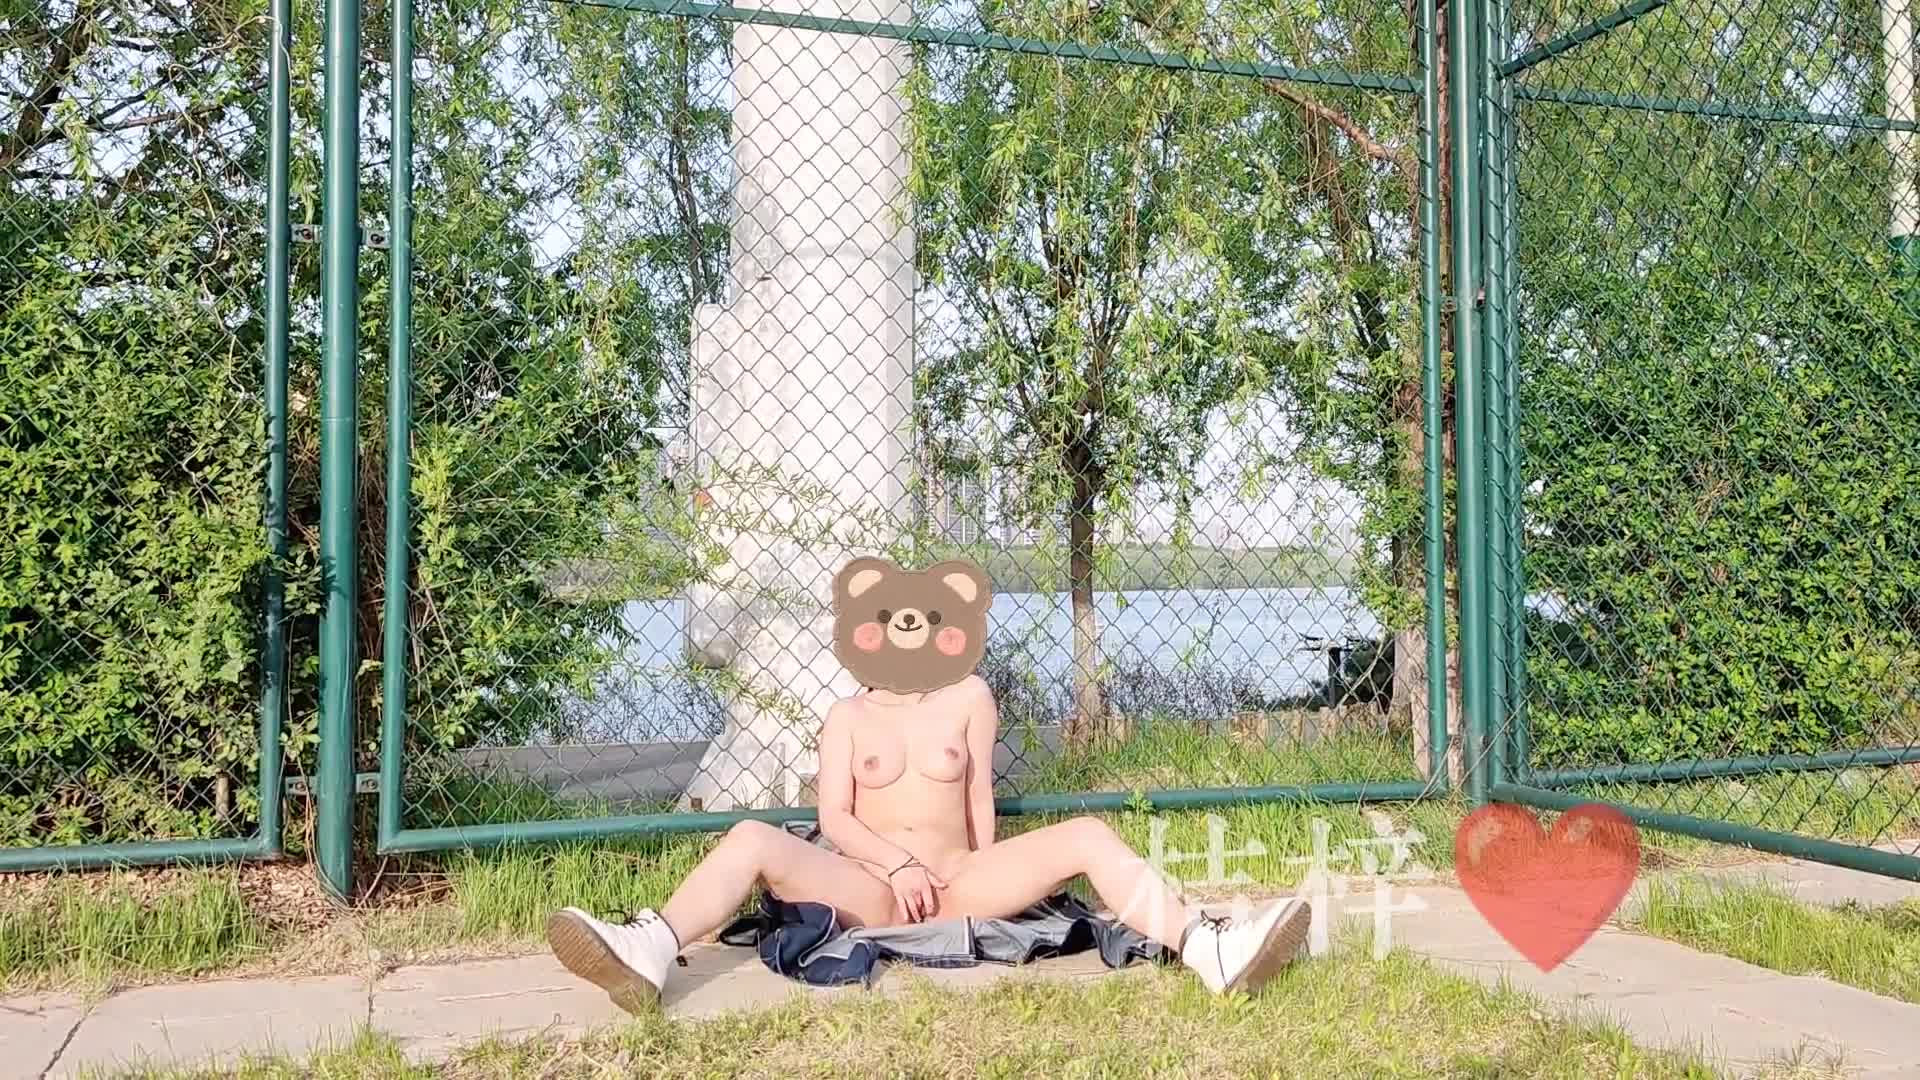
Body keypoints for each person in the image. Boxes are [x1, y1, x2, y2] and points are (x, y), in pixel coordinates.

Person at [546, 672, 1313, 1012]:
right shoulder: (846, 717)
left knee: (1087, 832)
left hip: (963, 879)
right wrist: (898, 863)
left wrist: (998, 878)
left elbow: (979, 801)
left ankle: (1209, 949)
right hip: (874, 887)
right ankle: (650, 947)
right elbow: (836, 818)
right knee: (751, 835)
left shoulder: (969, 695)